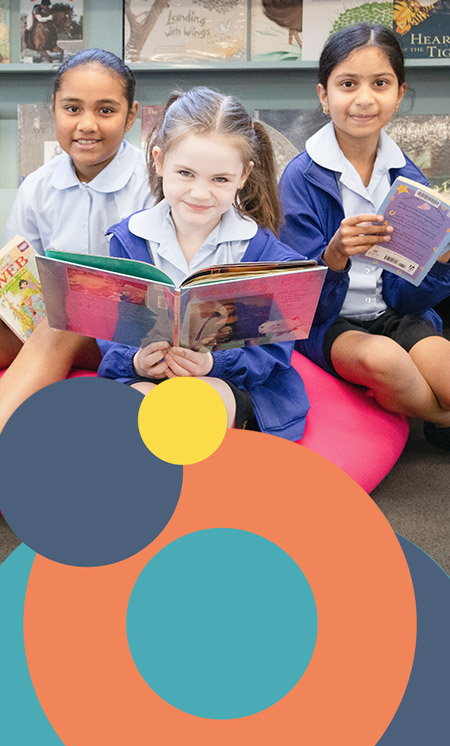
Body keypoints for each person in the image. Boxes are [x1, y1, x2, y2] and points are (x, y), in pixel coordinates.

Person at [98, 86, 312, 440]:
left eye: (220, 180)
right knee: (132, 413)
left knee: (195, 407)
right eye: (185, 173)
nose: (200, 193)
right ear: (159, 160)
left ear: (243, 177)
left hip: (231, 381)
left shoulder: (265, 254)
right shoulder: (129, 239)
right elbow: (113, 330)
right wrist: (137, 361)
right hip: (147, 377)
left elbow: (273, 350)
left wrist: (213, 363)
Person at [279, 23, 450, 450]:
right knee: (385, 360)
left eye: (380, 83)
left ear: (399, 94)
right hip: (328, 325)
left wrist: (440, 262)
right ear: (323, 95)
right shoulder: (300, 178)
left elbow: (409, 298)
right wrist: (334, 256)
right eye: (348, 83)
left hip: (392, 313)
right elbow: (295, 304)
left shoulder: (408, 178)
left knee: (445, 370)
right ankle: (440, 420)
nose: (364, 98)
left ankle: (436, 414)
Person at [0, 48, 152, 432]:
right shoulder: (37, 187)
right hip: (49, 322)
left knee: (59, 325)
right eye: (72, 109)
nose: (87, 124)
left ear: (131, 115)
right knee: (48, 321)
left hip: (131, 338)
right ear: (53, 109)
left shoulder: (153, 184)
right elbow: (19, 276)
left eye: (105, 110)